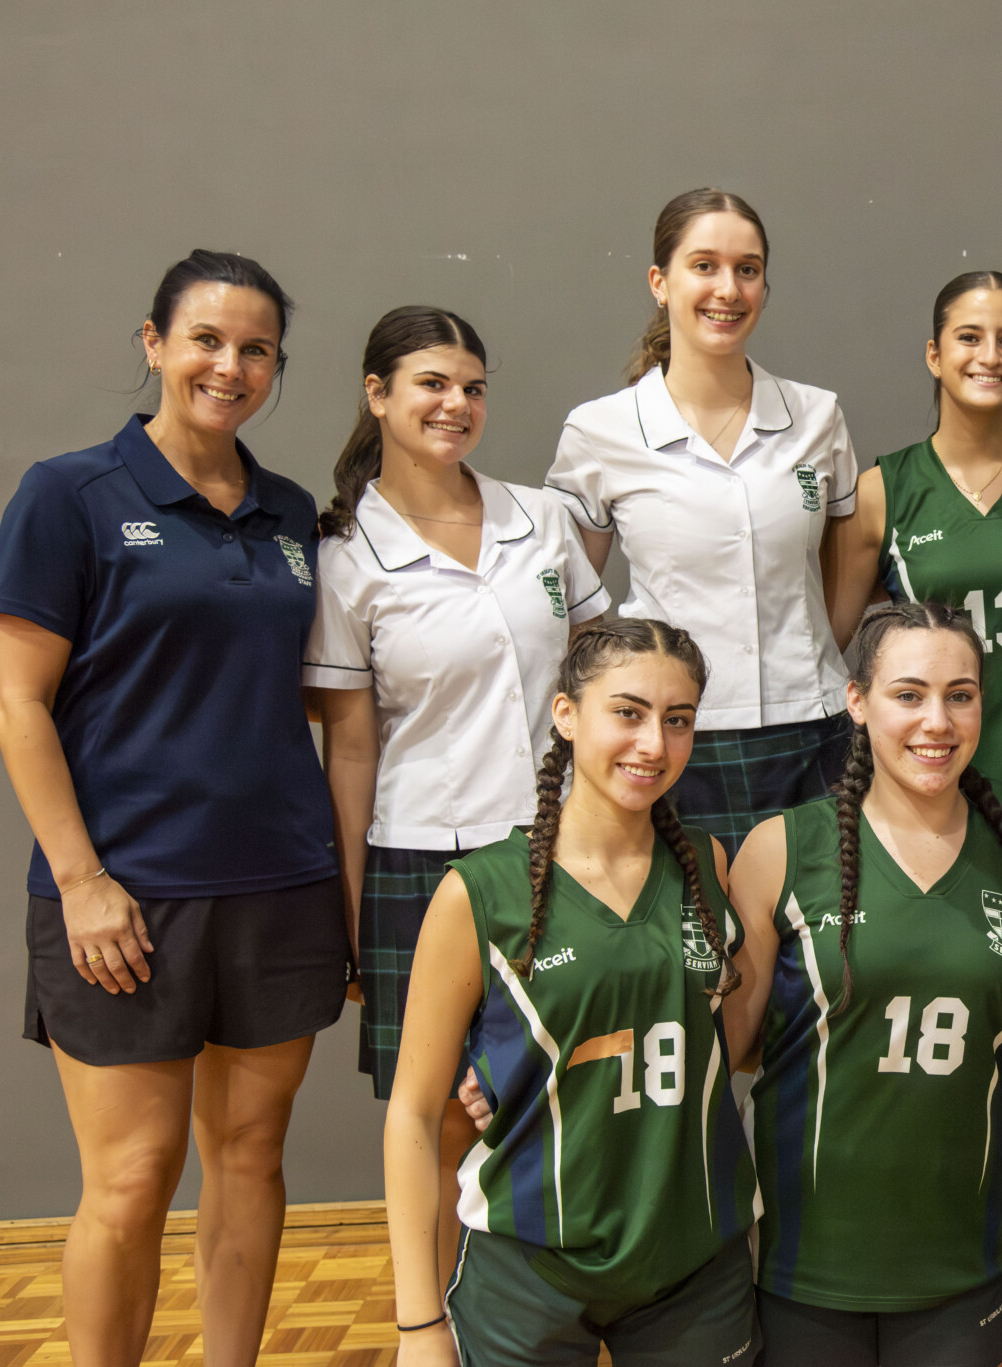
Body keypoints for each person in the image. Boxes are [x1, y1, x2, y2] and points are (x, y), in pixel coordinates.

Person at [0, 249, 343, 1366]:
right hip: (127, 898)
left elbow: (299, 693)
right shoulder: (69, 494)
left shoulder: (291, 513)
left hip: (281, 885)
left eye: (256, 350)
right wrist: (82, 880)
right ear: (154, 343)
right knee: (132, 1180)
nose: (230, 366)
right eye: (206, 340)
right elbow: (16, 704)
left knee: (248, 1159)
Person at [305, 305, 610, 1284]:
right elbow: (351, 749)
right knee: (442, 1118)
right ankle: (434, 1323)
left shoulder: (542, 519)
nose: (456, 404)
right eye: (431, 383)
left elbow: (598, 682)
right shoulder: (346, 554)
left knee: (566, 1094)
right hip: (420, 864)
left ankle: (553, 1320)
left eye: (472, 387)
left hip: (558, 850)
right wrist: (350, 909)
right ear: (377, 393)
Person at [384, 620, 758, 1366]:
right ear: (566, 713)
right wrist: (417, 1324)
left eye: (677, 719)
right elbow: (414, 1114)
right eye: (628, 712)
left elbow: (726, 1043)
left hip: (694, 1261)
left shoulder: (707, 866)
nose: (653, 743)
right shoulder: (480, 893)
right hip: (529, 1271)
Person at [723, 599, 1002, 1367]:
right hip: (803, 1261)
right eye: (909, 694)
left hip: (961, 1262)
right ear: (857, 700)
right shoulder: (781, 850)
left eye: (960, 695)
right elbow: (727, 1051)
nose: (936, 721)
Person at [546, 187, 856, 856]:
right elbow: (572, 608)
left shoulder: (818, 417)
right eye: (704, 266)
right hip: (671, 741)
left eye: (748, 269)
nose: (728, 289)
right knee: (691, 922)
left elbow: (839, 569)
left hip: (815, 730)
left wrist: (804, 653)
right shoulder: (600, 430)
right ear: (660, 282)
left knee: (822, 923)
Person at [824, 271, 1002, 826]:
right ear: (934, 355)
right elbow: (823, 645)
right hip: (931, 771)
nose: (991, 355)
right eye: (969, 337)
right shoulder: (882, 492)